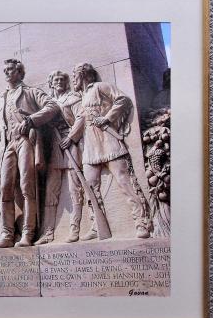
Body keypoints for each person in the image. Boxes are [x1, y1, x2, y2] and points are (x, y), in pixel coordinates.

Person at [62, 62, 150, 239]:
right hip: (90, 147)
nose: (73, 79)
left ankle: (141, 222)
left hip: (109, 142)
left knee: (125, 182)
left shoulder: (101, 87)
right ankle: (96, 226)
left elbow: (123, 100)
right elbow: (80, 121)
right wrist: (70, 139)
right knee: (90, 188)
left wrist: (108, 118)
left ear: (84, 74)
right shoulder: (80, 97)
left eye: (75, 75)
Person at [0, 58, 61, 248]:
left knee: (27, 186)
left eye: (11, 69)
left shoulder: (31, 92)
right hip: (6, 146)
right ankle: (7, 234)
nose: (7, 73)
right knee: (5, 188)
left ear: (20, 72)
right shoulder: (0, 99)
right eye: (5, 70)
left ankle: (28, 233)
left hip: (26, 141)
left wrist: (30, 121)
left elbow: (52, 107)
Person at [34, 70, 84, 245]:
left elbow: (81, 118)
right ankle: (48, 233)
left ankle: (75, 229)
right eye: (56, 79)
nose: (59, 82)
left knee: (75, 189)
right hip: (54, 148)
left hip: (71, 144)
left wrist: (70, 138)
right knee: (50, 191)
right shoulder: (48, 103)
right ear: (51, 83)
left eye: (63, 79)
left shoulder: (74, 97)